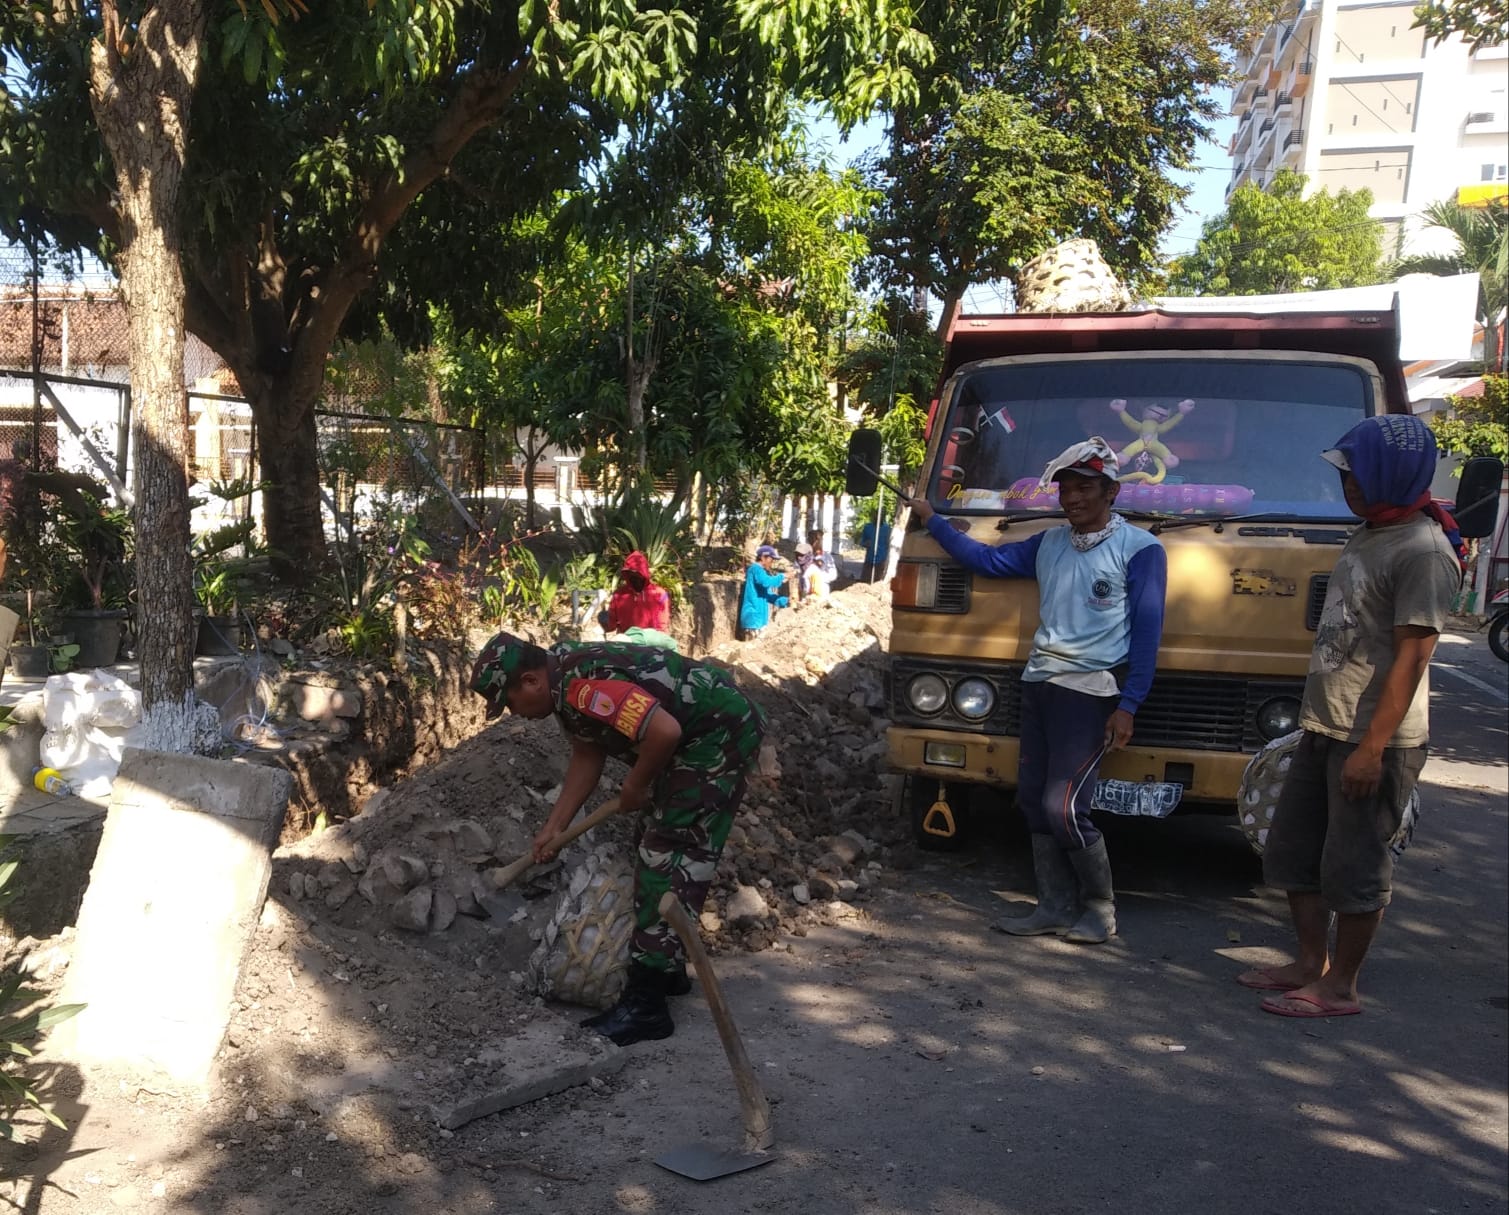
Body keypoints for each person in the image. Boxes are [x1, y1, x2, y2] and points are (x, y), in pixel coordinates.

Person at [1241, 414, 1462, 1018]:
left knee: (1355, 865)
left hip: (1375, 740)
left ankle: (1341, 986)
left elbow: (1414, 655)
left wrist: (1372, 747)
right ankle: (1309, 964)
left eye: (1361, 473)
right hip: (1324, 726)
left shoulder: (1425, 551)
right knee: (1292, 852)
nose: (1351, 485)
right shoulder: (1371, 531)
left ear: (1394, 472)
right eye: (1346, 473)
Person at [906, 437, 1167, 944]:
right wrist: (933, 521)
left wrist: (1129, 706)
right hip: (1040, 683)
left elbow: (1148, 633)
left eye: (1085, 488)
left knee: (1063, 806)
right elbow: (987, 561)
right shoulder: (1049, 543)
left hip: (1091, 692)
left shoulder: (1141, 549)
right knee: (1031, 800)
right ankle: (1052, 905)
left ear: (1111, 491)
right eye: (1066, 489)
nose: (1073, 498)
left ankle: (1099, 908)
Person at [470, 633, 767, 1045]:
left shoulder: (583, 689)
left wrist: (636, 783)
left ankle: (647, 1006)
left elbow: (663, 731)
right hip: (694, 738)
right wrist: (555, 827)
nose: (514, 713)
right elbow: (587, 756)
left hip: (716, 736)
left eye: (510, 702)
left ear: (532, 682)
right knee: (651, 841)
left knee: (667, 855)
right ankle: (665, 969)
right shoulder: (563, 683)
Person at [601, 550, 671, 634]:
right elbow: (612, 622)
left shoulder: (660, 594)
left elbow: (663, 623)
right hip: (627, 641)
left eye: (637, 575)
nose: (634, 578)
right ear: (626, 575)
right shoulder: (618, 595)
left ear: (644, 574)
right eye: (630, 575)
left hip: (651, 641)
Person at [738, 544, 788, 638]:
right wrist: (782, 576)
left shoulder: (761, 572)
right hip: (752, 619)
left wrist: (784, 600)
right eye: (771, 559)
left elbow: (767, 595)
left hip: (760, 620)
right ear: (762, 557)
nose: (772, 562)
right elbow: (766, 582)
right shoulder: (755, 569)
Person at [799, 529, 837, 600]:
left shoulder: (827, 557)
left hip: (821, 591)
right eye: (811, 540)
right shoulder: (803, 556)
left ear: (820, 541)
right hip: (806, 592)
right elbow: (798, 572)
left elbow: (833, 575)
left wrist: (817, 578)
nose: (813, 543)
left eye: (816, 540)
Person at [859, 515, 892, 583]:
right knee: (865, 581)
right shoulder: (867, 527)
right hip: (869, 559)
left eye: (881, 517)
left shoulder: (887, 529)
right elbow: (861, 542)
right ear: (874, 517)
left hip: (882, 560)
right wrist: (866, 543)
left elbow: (889, 544)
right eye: (876, 517)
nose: (878, 519)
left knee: (878, 582)